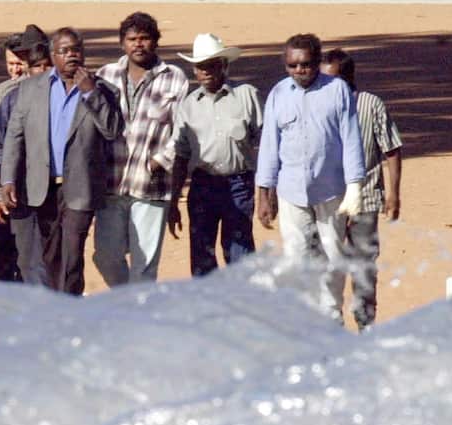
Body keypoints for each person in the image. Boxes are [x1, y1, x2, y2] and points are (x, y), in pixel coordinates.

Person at [1, 27, 121, 295]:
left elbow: (113, 130)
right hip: (42, 187)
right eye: (64, 51)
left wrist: (91, 94)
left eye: (76, 50)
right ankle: (59, 306)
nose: (71, 56)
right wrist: (8, 178)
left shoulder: (103, 90)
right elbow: (14, 136)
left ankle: (69, 308)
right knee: (51, 255)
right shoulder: (31, 88)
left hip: (80, 188)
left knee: (72, 254)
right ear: (53, 55)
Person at [255, 34, 366, 324]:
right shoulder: (278, 94)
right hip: (291, 190)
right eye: (292, 65)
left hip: (331, 190)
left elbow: (351, 138)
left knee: (333, 258)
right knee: (296, 258)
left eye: (305, 64)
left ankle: (331, 318)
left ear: (317, 62)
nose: (299, 71)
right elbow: (269, 145)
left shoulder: (337, 90)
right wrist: (264, 193)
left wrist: (355, 186)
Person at [93, 12, 189, 286]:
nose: (138, 44)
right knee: (106, 257)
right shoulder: (105, 75)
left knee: (144, 265)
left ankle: (138, 318)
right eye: (132, 39)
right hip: (111, 185)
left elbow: (182, 130)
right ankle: (129, 302)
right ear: (122, 43)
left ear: (155, 41)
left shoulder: (174, 78)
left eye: (145, 38)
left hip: (151, 186)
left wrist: (160, 160)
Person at [167, 33, 264, 276]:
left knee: (240, 255)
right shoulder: (189, 105)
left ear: (224, 65)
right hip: (202, 186)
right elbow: (180, 156)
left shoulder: (246, 96)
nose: (206, 72)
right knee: (202, 257)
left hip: (239, 184)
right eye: (200, 67)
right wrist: (173, 200)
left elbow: (267, 144)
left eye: (212, 65)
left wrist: (266, 191)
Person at [321, 48, 402, 329]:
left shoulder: (371, 104)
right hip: (328, 199)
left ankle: (365, 324)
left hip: (365, 197)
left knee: (363, 265)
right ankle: (332, 326)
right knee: (328, 263)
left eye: (330, 79)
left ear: (347, 78)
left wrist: (393, 193)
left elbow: (391, 150)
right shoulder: (320, 105)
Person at [0, 25, 49, 282]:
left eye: (21, 63)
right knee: (6, 251)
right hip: (9, 192)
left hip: (46, 190)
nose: (17, 69)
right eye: (11, 63)